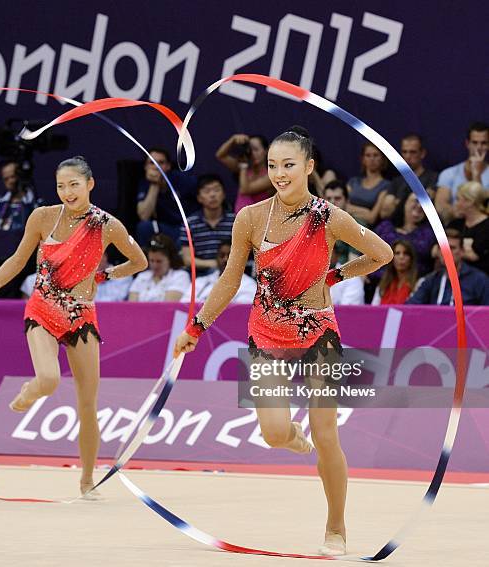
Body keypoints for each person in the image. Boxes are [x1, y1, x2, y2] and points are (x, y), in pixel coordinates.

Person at [174, 126, 393, 555]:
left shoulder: (329, 217)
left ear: (309, 166)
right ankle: (293, 437)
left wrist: (338, 274)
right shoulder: (251, 218)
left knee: (326, 433)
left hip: (317, 332)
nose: (279, 173)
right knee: (274, 434)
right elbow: (231, 278)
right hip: (267, 332)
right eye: (272, 165)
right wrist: (195, 327)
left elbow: (382, 254)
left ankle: (336, 527)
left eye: (288, 165)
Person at [0, 156, 147, 497]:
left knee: (88, 404)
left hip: (81, 316)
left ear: (90, 184)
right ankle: (29, 392)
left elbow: (140, 261)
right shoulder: (43, 216)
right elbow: (18, 260)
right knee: (48, 380)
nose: (67, 192)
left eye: (74, 185)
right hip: (43, 309)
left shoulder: (107, 224)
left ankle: (87, 480)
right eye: (61, 185)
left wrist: (106, 275)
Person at [407, 229, 489, 305]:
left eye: (452, 248)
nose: (447, 252)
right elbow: (410, 307)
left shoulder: (479, 279)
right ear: (438, 252)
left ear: (462, 251)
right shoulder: (432, 279)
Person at [179, 174, 235, 275]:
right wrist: (215, 264)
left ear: (223, 194)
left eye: (217, 190)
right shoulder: (190, 223)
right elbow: (187, 259)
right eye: (207, 191)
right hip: (200, 274)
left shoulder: (236, 221)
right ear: (199, 198)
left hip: (230, 272)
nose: (212, 195)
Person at [435, 122, 489, 221]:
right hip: (454, 227)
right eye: (475, 142)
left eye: (484, 143)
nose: (479, 148)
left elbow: (483, 207)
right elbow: (440, 205)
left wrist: (476, 175)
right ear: (467, 144)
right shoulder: (448, 173)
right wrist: (456, 211)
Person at [375, 191, 436, 276]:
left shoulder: (430, 234)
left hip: (413, 282)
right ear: (405, 203)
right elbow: (366, 247)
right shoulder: (385, 227)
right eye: (416, 201)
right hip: (377, 280)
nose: (419, 206)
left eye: (423, 203)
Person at [380, 134, 438, 219]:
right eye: (404, 152)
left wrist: (397, 202)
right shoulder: (396, 182)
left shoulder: (433, 178)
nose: (407, 156)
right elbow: (385, 213)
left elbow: (425, 206)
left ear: (422, 153)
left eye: (412, 152)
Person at [179, 239, 256, 303]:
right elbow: (184, 306)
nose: (225, 259)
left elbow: (241, 312)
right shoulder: (200, 282)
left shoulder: (249, 285)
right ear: (216, 258)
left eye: (230, 255)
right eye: (222, 255)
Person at [135, 148, 184, 247]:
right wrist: (155, 184)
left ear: (168, 166)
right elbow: (144, 215)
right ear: (145, 167)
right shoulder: (144, 184)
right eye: (152, 163)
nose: (156, 167)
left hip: (183, 227)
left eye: (161, 163)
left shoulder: (181, 179)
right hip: (162, 228)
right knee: (144, 227)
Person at [215, 133, 274, 213]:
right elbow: (220, 155)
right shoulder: (245, 169)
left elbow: (245, 190)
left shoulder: (271, 175)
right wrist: (233, 139)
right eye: (249, 150)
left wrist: (243, 166)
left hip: (259, 221)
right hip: (240, 220)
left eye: (256, 149)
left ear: (266, 150)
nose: (252, 154)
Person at [128, 234, 190, 301]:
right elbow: (131, 306)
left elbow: (168, 307)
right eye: (152, 261)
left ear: (170, 259)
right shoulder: (141, 277)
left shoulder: (180, 276)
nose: (155, 266)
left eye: (159, 261)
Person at [447, 181, 489, 274]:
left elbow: (474, 256)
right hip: (454, 273)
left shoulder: (486, 227)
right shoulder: (455, 224)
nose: (456, 204)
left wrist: (451, 251)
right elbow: (435, 249)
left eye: (458, 199)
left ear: (470, 202)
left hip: (480, 278)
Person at [346, 142, 391, 227]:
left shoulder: (386, 185)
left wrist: (349, 209)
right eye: (368, 155)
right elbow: (340, 206)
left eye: (375, 155)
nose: (372, 159)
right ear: (363, 159)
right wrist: (366, 211)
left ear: (382, 159)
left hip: (365, 229)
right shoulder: (353, 182)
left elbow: (372, 218)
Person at [0, 161, 37, 230]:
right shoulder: (0, 202)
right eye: (6, 179)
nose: (10, 181)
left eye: (13, 177)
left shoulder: (33, 202)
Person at [372, 240, 418, 305]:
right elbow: (374, 309)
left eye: (406, 253)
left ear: (411, 259)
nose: (401, 257)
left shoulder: (418, 284)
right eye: (397, 253)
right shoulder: (382, 286)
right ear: (391, 258)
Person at [324, 180, 358, 265]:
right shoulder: (315, 224)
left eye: (337, 198)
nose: (332, 202)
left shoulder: (356, 225)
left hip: (345, 273)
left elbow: (353, 261)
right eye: (328, 199)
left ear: (347, 200)